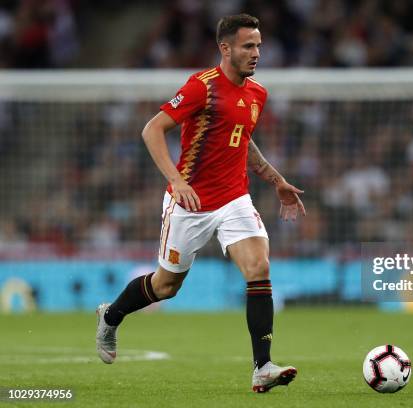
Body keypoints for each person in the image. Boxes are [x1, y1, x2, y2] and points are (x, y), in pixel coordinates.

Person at [95, 13, 305, 393]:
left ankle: (262, 366)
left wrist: (277, 181)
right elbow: (152, 129)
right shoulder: (201, 87)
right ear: (225, 48)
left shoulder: (257, 93)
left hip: (234, 198)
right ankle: (111, 316)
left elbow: (242, 142)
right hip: (190, 202)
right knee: (166, 286)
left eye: (258, 45)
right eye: (248, 46)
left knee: (258, 268)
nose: (256, 53)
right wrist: (176, 181)